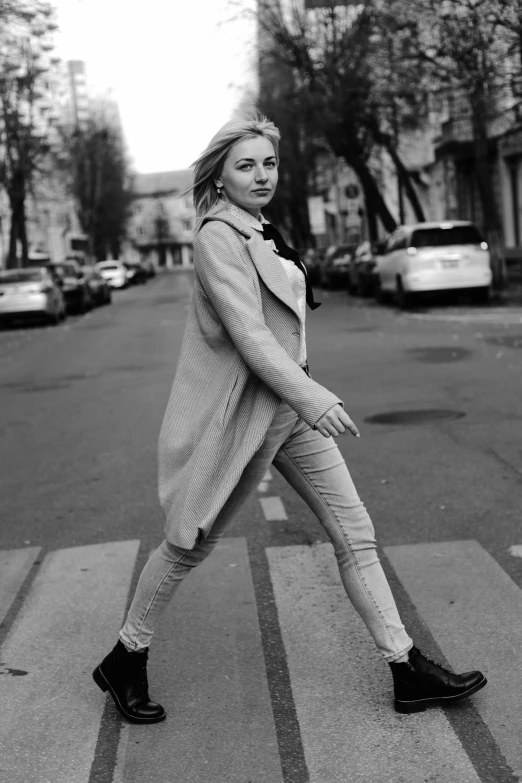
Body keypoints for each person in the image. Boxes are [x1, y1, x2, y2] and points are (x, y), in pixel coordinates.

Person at [92, 115, 487, 724]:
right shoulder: (217, 237)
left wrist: (303, 391)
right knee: (190, 541)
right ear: (219, 177)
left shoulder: (258, 227)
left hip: (288, 410)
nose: (261, 175)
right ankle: (125, 656)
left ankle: (405, 669)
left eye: (268, 163)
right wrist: (312, 396)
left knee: (355, 533)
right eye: (245, 165)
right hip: (247, 414)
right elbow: (250, 337)